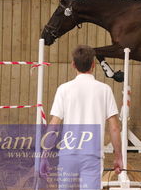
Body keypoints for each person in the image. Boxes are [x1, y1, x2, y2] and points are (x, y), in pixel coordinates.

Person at [40, 45, 122, 190]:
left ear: (73, 65)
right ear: (93, 65)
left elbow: (54, 124)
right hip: (92, 154)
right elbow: (114, 128)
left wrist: (44, 155)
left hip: (67, 154)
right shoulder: (105, 90)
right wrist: (118, 157)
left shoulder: (63, 89)